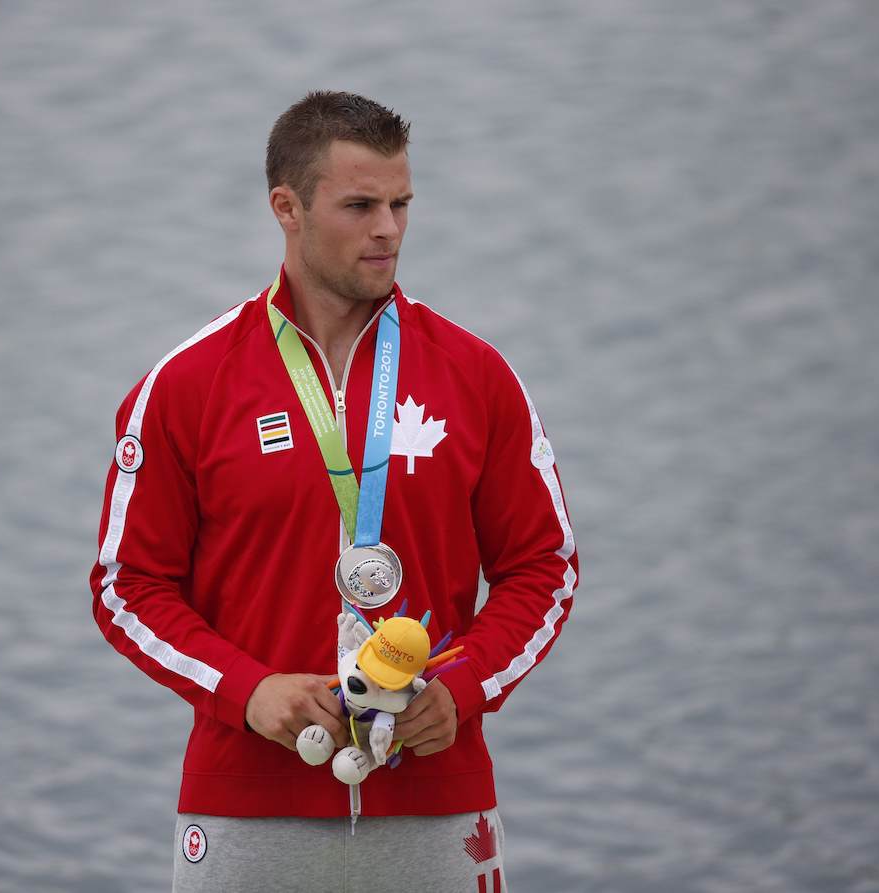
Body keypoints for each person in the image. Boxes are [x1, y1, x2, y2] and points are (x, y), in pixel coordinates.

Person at [92, 90, 578, 892]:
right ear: (287, 207)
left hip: (436, 808)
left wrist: (466, 686)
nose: (388, 228)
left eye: (401, 203)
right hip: (247, 811)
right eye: (360, 205)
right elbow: (125, 586)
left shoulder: (478, 376)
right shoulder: (186, 385)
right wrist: (247, 691)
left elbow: (545, 566)